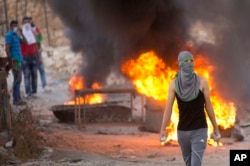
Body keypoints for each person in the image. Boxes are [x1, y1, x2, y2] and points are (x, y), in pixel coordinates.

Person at [160, 51, 221, 166]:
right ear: (179, 64)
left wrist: (216, 127)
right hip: (182, 132)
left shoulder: (202, 82)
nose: (189, 63)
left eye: (191, 61)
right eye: (185, 61)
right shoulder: (174, 84)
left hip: (200, 130)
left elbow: (208, 105)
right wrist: (163, 129)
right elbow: (168, 108)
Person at [5, 20, 26, 105]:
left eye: (16, 26)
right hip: (14, 60)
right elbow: (7, 48)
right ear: (10, 26)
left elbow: (25, 42)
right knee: (17, 79)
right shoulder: (9, 35)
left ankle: (18, 99)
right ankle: (16, 99)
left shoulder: (17, 35)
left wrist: (21, 33)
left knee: (19, 79)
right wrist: (10, 60)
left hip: (19, 59)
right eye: (14, 26)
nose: (15, 27)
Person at [30, 17, 51, 92]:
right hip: (30, 54)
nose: (30, 22)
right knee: (33, 73)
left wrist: (37, 36)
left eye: (31, 20)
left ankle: (44, 85)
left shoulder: (36, 28)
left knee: (41, 70)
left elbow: (40, 39)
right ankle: (32, 89)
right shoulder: (25, 30)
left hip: (38, 53)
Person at [21, 16, 38, 98]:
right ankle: (28, 92)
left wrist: (38, 55)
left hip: (33, 56)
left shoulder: (33, 31)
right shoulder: (20, 33)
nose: (27, 24)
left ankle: (34, 92)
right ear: (23, 23)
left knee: (34, 75)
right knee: (27, 75)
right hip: (25, 57)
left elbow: (37, 42)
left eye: (28, 22)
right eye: (25, 22)